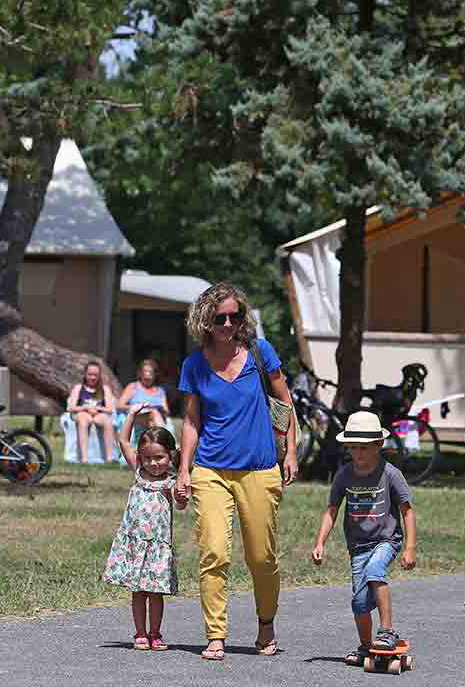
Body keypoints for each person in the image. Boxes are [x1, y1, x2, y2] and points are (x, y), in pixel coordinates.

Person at [174, 281, 297, 661]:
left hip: (260, 469)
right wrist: (184, 469)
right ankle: (215, 634)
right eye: (220, 317)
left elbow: (284, 401)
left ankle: (266, 624)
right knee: (213, 552)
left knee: (262, 557)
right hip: (210, 470)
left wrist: (291, 451)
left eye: (235, 316)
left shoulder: (261, 352)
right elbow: (192, 420)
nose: (228, 323)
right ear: (205, 321)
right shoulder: (194, 364)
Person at [310, 411, 417, 666]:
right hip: (358, 546)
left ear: (379, 445)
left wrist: (410, 547)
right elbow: (332, 510)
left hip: (386, 540)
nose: (358, 453)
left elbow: (407, 511)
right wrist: (319, 542)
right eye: (353, 448)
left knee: (375, 571)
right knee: (359, 603)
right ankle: (367, 647)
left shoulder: (390, 474)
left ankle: (387, 631)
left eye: (364, 448)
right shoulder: (345, 474)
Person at [103, 406, 186, 651]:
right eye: (148, 458)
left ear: (170, 456)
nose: (153, 463)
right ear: (140, 457)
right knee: (138, 592)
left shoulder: (170, 482)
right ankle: (140, 632)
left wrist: (182, 497)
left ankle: (155, 633)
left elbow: (180, 506)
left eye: (159, 458)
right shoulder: (138, 473)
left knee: (156, 593)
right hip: (135, 544)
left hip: (158, 547)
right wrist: (131, 416)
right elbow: (123, 440)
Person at [67, 361, 116, 463]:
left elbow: (110, 409)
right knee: (84, 419)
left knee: (107, 421)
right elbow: (72, 407)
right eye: (90, 374)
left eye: (95, 375)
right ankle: (84, 458)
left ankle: (109, 457)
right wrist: (86, 408)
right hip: (82, 413)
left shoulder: (105, 389)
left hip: (99, 414)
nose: (93, 378)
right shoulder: (78, 388)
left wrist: (97, 409)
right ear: (85, 374)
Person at [117, 359, 170, 430]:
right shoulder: (133, 386)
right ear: (140, 373)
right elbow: (119, 406)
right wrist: (139, 406)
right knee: (153, 413)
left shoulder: (160, 391)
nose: (147, 375)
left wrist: (161, 410)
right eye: (145, 372)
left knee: (153, 420)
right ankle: (163, 438)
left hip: (155, 419)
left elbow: (166, 411)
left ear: (155, 375)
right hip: (137, 417)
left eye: (150, 372)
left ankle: (157, 438)